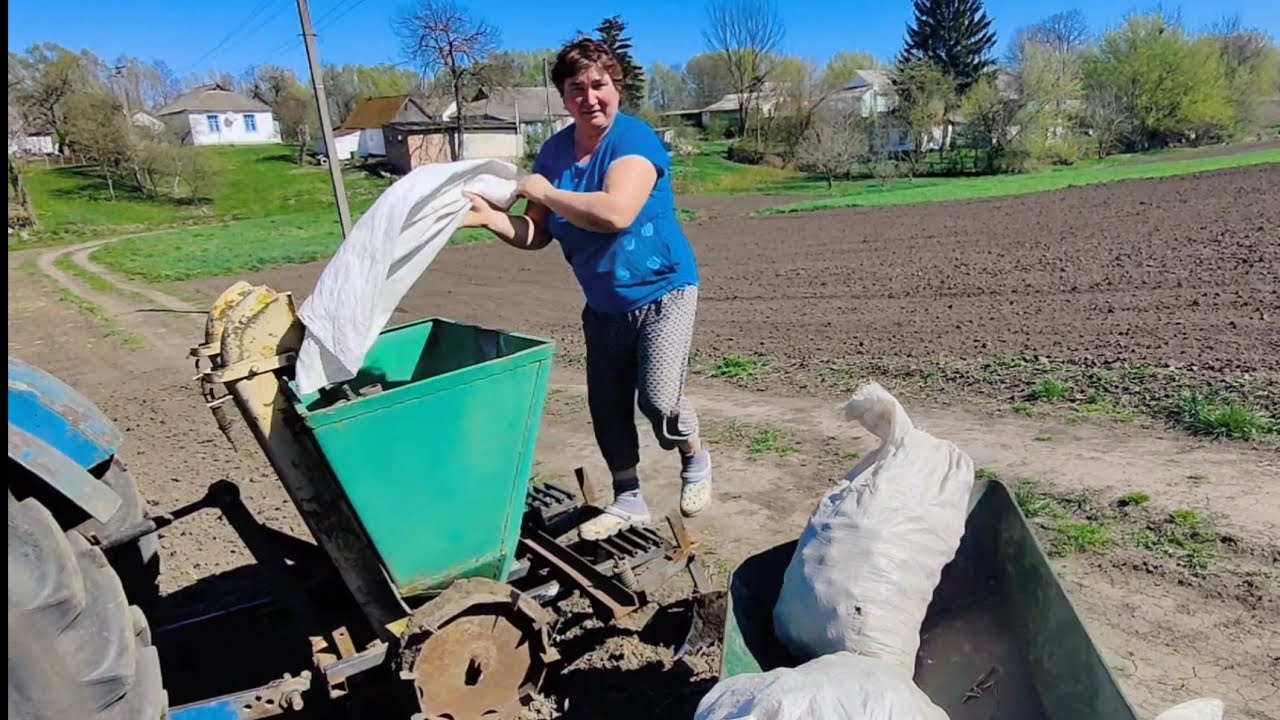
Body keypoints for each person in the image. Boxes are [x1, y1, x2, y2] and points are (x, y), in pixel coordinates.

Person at [458, 37, 711, 541]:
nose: (590, 97)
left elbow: (616, 214)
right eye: (578, 89)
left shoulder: (633, 141)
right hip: (604, 305)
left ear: (615, 87)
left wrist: (548, 192)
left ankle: (694, 456)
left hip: (663, 291)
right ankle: (629, 498)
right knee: (607, 405)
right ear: (563, 96)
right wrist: (491, 221)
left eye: (600, 85)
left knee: (660, 402)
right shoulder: (553, 153)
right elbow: (536, 233)